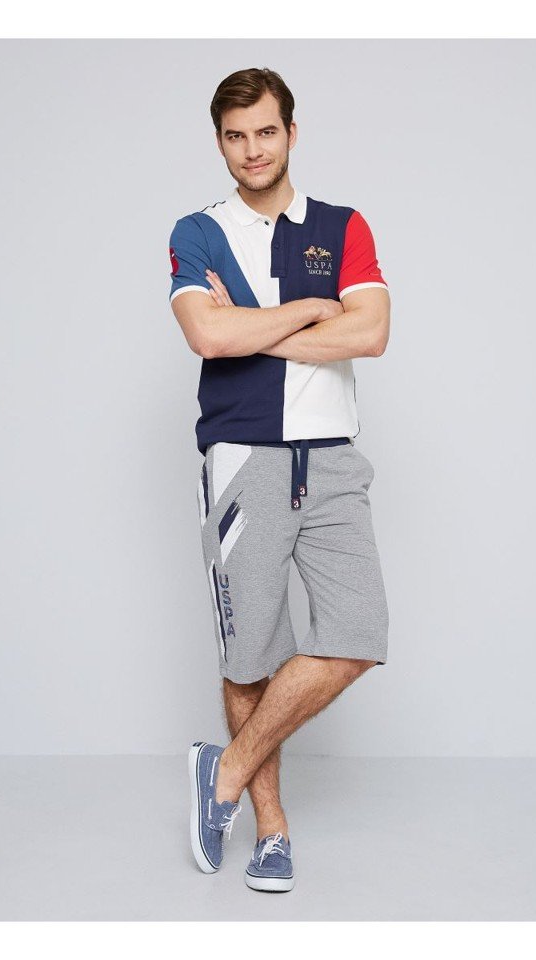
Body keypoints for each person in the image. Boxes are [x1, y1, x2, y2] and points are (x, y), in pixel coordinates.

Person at [169, 67, 391, 893]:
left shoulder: (342, 226)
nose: (252, 149)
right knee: (250, 655)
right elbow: (207, 338)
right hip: (244, 457)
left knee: (356, 635)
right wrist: (310, 309)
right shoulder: (199, 231)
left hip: (332, 459)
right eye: (236, 136)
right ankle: (271, 832)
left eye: (266, 131)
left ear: (291, 133)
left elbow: (371, 334)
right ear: (220, 142)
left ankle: (222, 771)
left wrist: (249, 324)